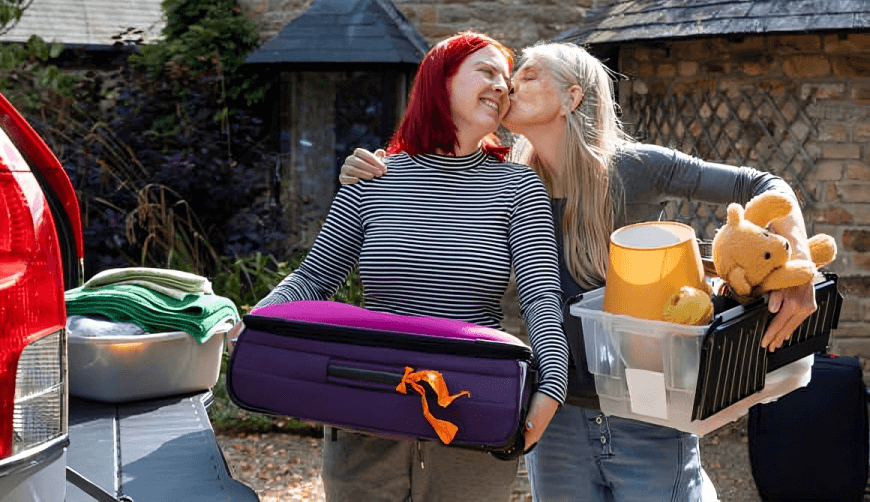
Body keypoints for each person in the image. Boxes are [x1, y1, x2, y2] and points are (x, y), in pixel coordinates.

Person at [340, 41, 817, 501]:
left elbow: (761, 184)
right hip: (556, 416)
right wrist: (373, 173)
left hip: (646, 407)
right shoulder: (506, 187)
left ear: (572, 98)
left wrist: (799, 267)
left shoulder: (636, 169)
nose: (508, 86)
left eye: (527, 75)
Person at [230, 32, 569, 502]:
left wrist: (552, 381)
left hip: (469, 413)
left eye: (506, 80)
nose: (502, 87)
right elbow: (313, 278)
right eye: (487, 72)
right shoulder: (374, 177)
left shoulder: (518, 186)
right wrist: (254, 325)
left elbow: (540, 297)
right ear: (440, 80)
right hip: (367, 405)